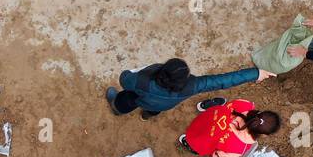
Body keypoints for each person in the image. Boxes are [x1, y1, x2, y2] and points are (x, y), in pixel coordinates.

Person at [106, 58, 273, 119]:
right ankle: (147, 116)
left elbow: (124, 79)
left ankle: (117, 108)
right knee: (153, 109)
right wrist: (255, 73)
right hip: (163, 105)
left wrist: (128, 73)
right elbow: (222, 80)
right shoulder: (191, 86)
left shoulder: (142, 81)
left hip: (140, 96)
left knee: (126, 99)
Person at [178, 99, 280, 157]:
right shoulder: (239, 148)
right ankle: (189, 143)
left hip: (204, 119)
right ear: (264, 135)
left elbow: (230, 104)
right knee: (197, 144)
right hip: (197, 140)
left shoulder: (246, 104)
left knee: (217, 112)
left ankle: (206, 105)